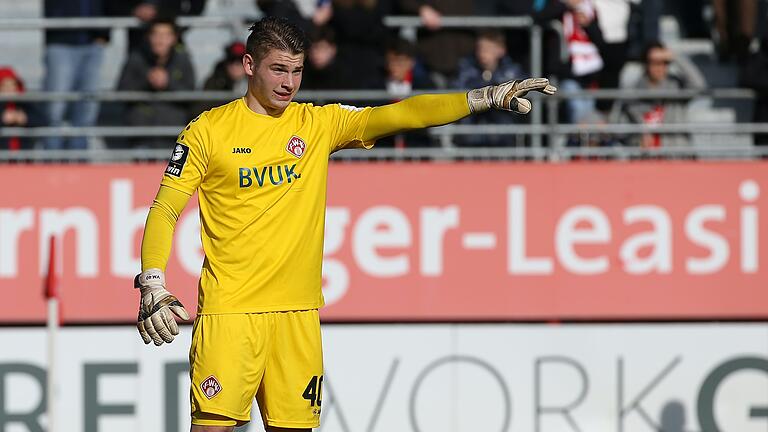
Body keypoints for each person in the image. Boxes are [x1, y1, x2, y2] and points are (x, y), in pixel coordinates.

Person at [133, 16, 556, 432]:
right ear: (249, 65)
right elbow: (165, 208)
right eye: (278, 69)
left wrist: (482, 98)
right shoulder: (208, 132)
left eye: (297, 71)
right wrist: (153, 280)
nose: (288, 82)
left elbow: (399, 115)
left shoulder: (317, 124)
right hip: (231, 313)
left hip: (298, 314)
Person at [116, 17, 196, 148]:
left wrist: (168, 83)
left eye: (165, 35)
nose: (160, 39)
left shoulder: (183, 60)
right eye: (156, 34)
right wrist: (146, 81)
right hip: (140, 136)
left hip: (174, 138)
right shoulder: (136, 58)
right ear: (149, 37)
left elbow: (192, 95)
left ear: (174, 38)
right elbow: (121, 92)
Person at [43, 0, 108, 150]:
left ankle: (79, 160)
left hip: (93, 42)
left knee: (87, 108)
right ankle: (51, 161)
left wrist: (104, 32)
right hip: (60, 40)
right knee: (55, 109)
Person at [616, 41, 705, 147]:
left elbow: (699, 86)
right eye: (653, 62)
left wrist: (675, 57)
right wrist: (637, 140)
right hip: (647, 158)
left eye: (664, 62)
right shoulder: (633, 94)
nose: (659, 67)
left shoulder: (677, 86)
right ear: (645, 64)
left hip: (677, 156)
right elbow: (620, 130)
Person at [453, 29, 526, 146]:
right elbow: (459, 90)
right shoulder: (467, 69)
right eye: (480, 49)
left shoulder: (511, 71)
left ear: (501, 50)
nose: (483, 53)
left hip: (502, 132)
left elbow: (518, 94)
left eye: (488, 49)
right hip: (472, 131)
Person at [0, 67, 43, 150]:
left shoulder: (24, 103)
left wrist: (25, 118)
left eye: (12, 84)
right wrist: (2, 119)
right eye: (4, 85)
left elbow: (43, 120)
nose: (9, 89)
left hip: (24, 157)